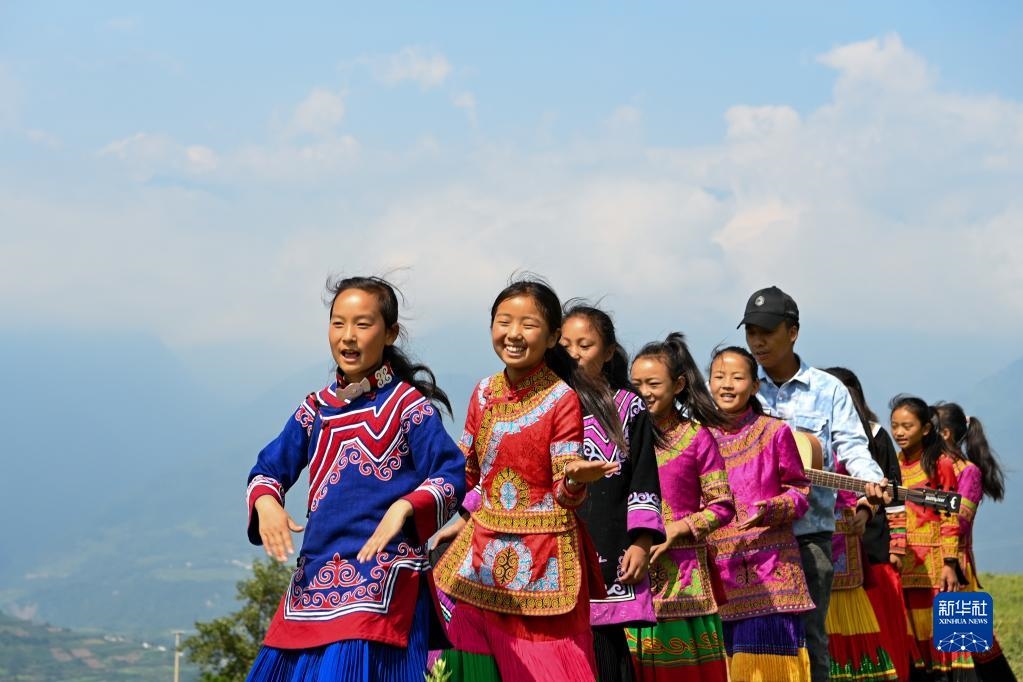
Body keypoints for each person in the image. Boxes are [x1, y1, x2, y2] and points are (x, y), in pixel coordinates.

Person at [244, 276, 466, 681]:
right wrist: (266, 503)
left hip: (381, 580)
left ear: (390, 333)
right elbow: (267, 470)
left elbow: (451, 473)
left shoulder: (407, 406)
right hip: (312, 584)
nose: (348, 336)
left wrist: (405, 506)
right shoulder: (315, 409)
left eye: (363, 324)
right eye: (338, 323)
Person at [432, 277, 617, 681]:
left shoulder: (562, 399)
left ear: (551, 338)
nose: (513, 334)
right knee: (468, 656)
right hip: (482, 551)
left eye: (528, 324)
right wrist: (447, 510)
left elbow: (564, 491)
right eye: (504, 321)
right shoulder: (483, 393)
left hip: (543, 557)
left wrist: (576, 479)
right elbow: (469, 471)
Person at [739, 285, 888, 682]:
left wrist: (870, 482)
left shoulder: (828, 389)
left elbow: (852, 447)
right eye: (751, 332)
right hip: (748, 536)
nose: (757, 341)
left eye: (766, 331)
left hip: (809, 536)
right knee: (748, 640)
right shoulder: (739, 384)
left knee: (810, 639)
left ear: (793, 332)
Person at [560, 302, 665, 682]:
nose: (574, 354)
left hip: (607, 547)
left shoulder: (628, 407)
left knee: (604, 650)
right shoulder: (542, 405)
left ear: (607, 353)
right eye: (565, 345)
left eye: (585, 345)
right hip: (551, 549)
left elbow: (643, 478)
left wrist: (641, 542)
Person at [626, 333, 735, 682]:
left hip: (682, 582)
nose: (644, 392)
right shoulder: (619, 438)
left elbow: (722, 505)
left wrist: (677, 528)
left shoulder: (696, 437)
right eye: (636, 384)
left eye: (653, 384)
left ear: (678, 385)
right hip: (628, 576)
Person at [706, 346, 814, 681]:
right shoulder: (699, 437)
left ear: (754, 386)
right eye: (719, 377)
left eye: (737, 377)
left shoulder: (774, 431)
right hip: (718, 575)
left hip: (770, 574)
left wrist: (770, 509)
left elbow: (800, 492)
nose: (727, 385)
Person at [826, 367, 913, 682]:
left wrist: (898, 545)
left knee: (878, 624)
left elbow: (895, 494)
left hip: (872, 544)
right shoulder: (812, 436)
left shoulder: (874, 435)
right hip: (828, 541)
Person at [887, 395, 975, 681]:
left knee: (946, 644)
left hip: (936, 567)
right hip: (905, 566)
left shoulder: (942, 465)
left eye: (907, 426)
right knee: (914, 647)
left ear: (926, 429)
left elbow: (950, 518)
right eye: (895, 426)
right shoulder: (892, 465)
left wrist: (950, 563)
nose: (899, 433)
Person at [933, 402, 1015, 682]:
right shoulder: (926, 468)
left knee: (966, 646)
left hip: (956, 568)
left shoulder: (968, 472)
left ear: (944, 433)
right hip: (922, 567)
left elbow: (960, 521)